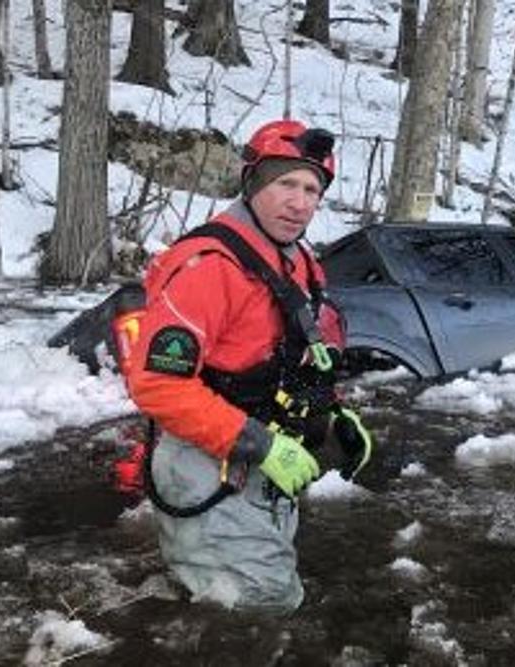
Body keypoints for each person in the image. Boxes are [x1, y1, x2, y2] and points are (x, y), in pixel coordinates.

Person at [125, 119, 373, 613]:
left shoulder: (300, 260)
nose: (300, 202)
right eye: (285, 184)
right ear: (252, 183)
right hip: (207, 458)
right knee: (258, 606)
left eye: (311, 189)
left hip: (265, 459)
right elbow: (156, 385)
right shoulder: (209, 265)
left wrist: (334, 413)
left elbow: (301, 354)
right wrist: (260, 444)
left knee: (266, 594)